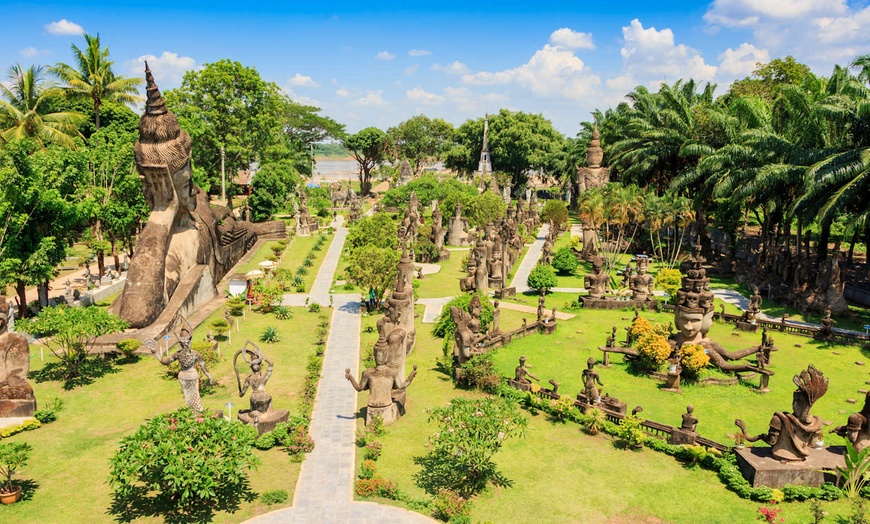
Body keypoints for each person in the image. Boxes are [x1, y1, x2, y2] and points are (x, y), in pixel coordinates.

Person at [152, 320, 215, 413]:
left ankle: (192, 412)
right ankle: (197, 412)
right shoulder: (195, 354)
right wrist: (209, 377)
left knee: (188, 396)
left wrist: (156, 353)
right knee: (194, 395)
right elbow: (203, 365)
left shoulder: (178, 354)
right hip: (192, 376)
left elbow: (164, 361)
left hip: (183, 376)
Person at [234, 341, 274, 417]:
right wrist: (263, 358)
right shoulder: (263, 378)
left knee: (253, 409)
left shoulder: (249, 379)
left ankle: (255, 414)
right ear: (261, 366)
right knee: (269, 404)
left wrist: (240, 393)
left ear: (250, 367)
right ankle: (269, 412)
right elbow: (271, 364)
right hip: (265, 396)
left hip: (254, 398)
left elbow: (242, 394)